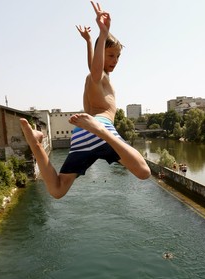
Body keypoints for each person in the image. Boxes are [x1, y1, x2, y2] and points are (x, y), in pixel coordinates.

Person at [20, 1, 150, 199]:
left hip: (81, 133)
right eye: (111, 55)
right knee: (144, 172)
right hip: (99, 127)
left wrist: (89, 42)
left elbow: (92, 66)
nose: (115, 60)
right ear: (102, 53)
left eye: (118, 57)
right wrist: (103, 33)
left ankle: (36, 144)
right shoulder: (100, 77)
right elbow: (95, 69)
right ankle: (101, 132)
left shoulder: (92, 79)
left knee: (57, 189)